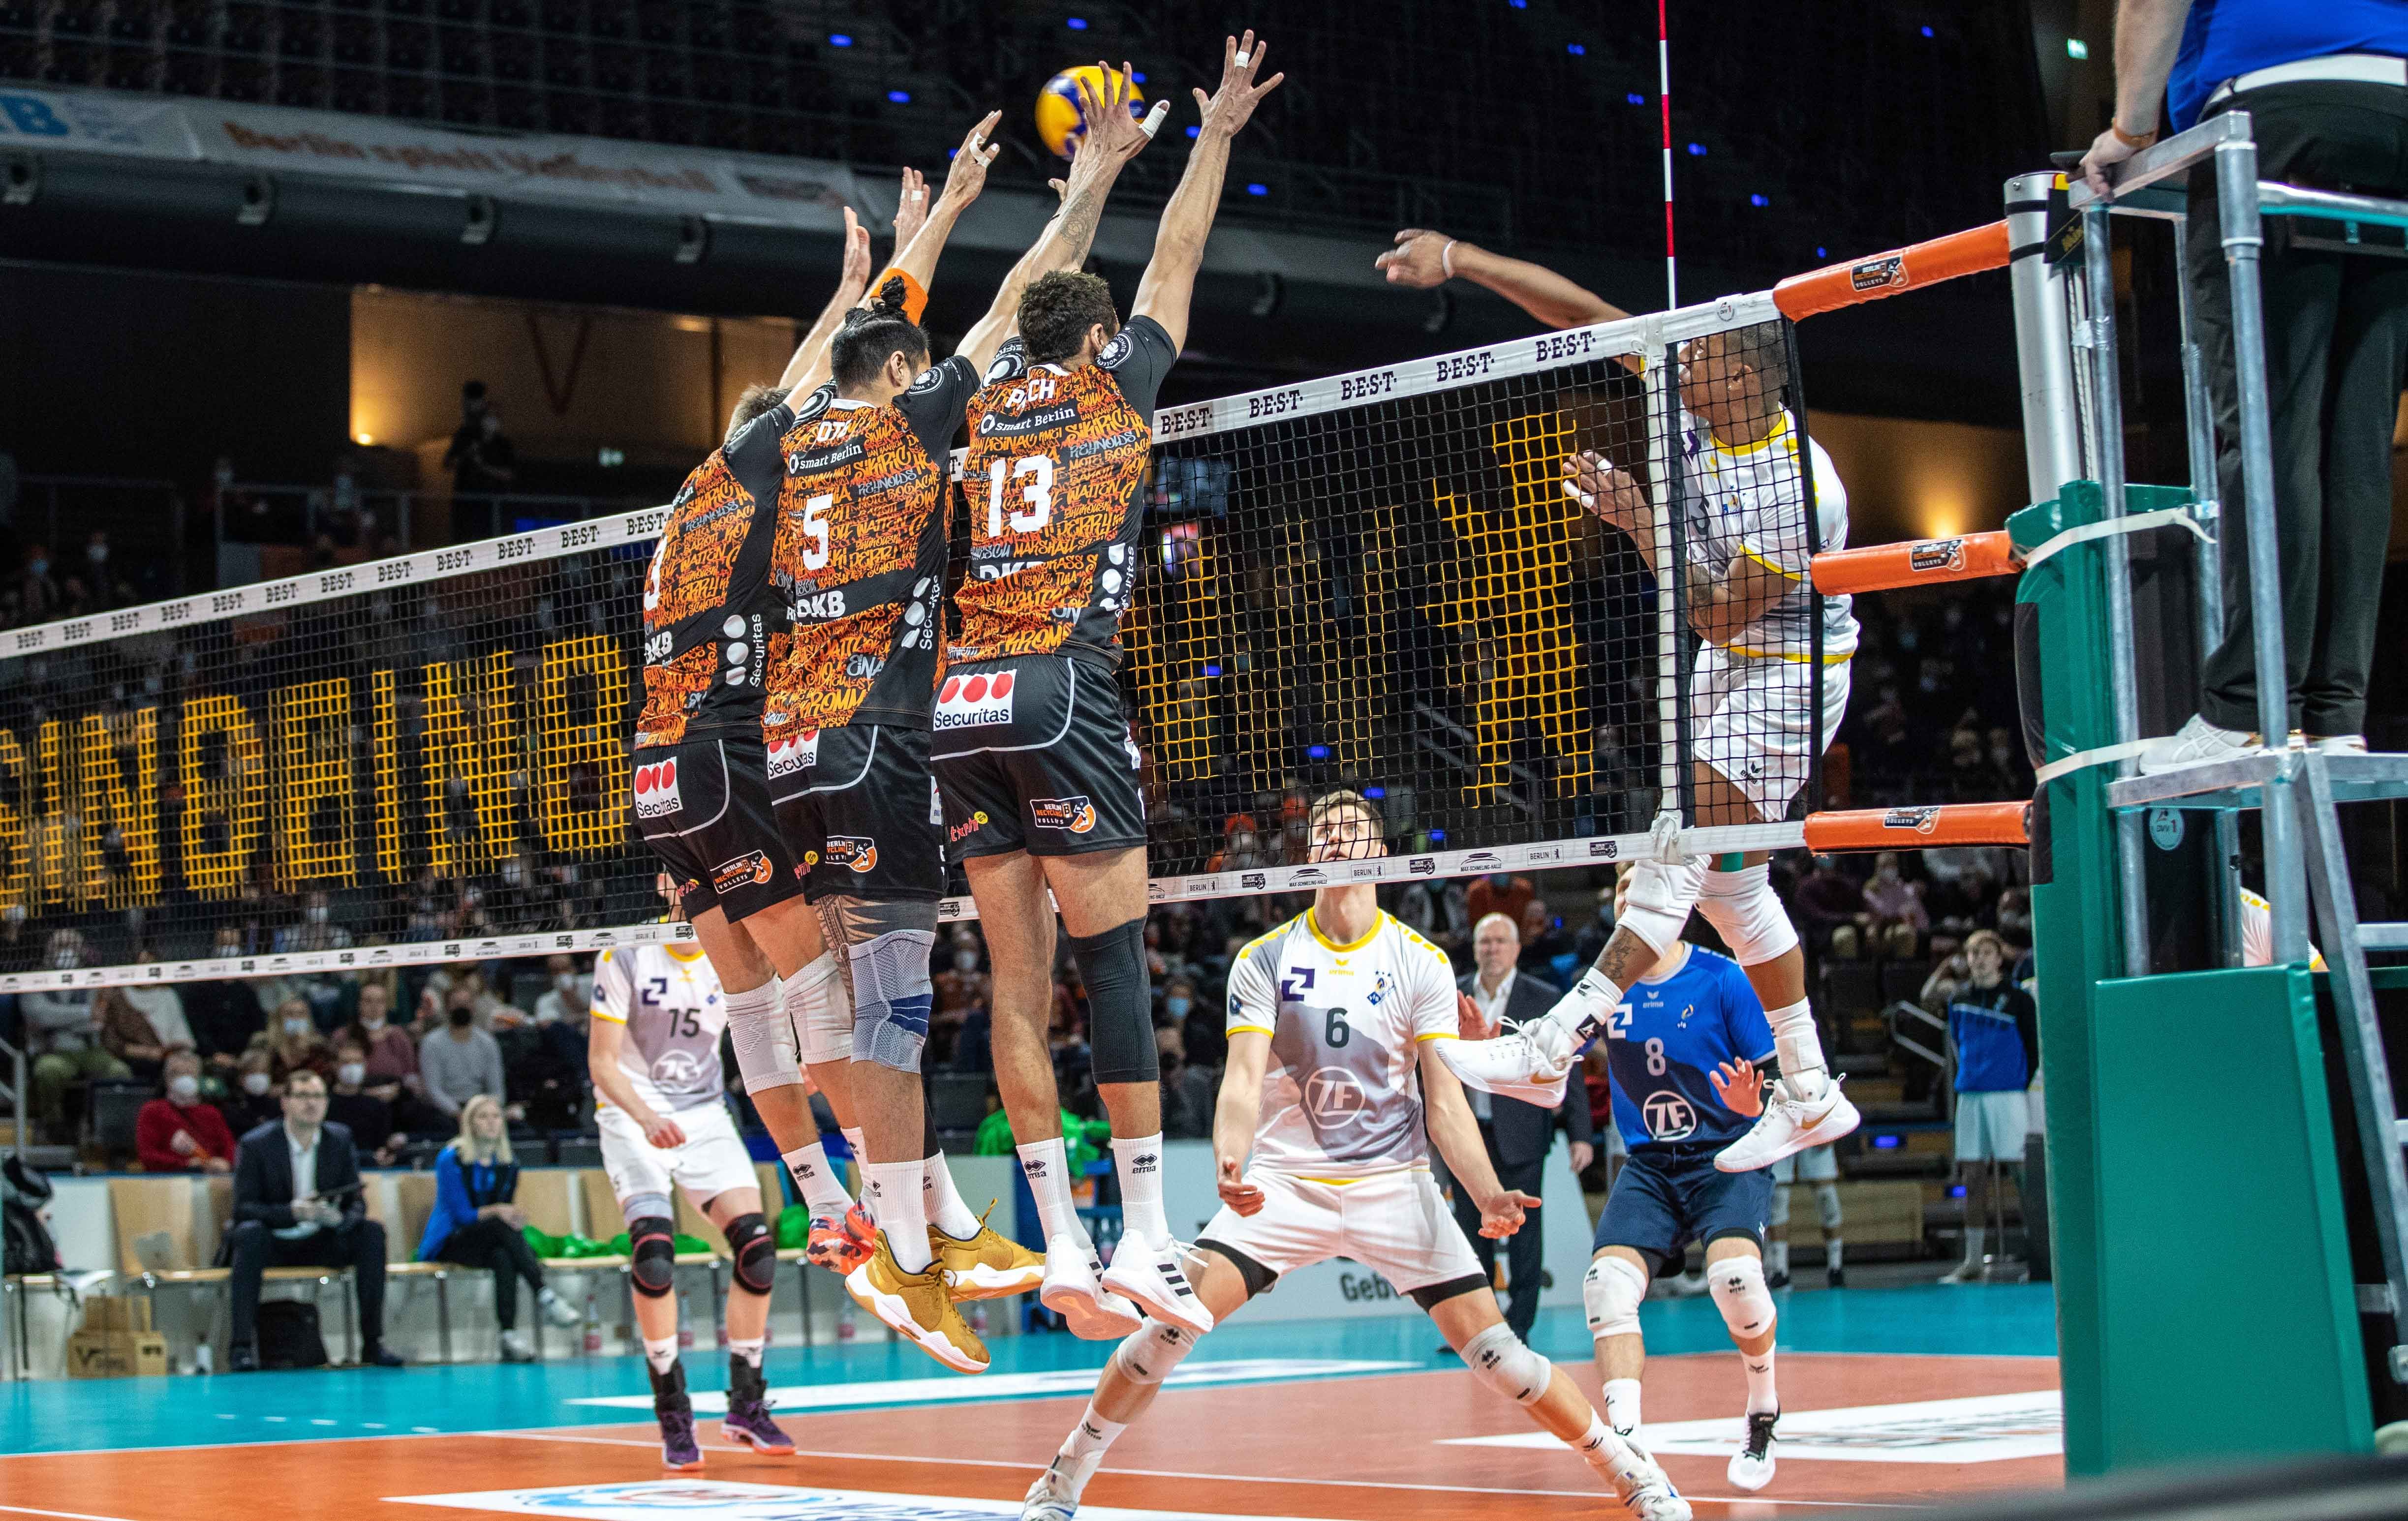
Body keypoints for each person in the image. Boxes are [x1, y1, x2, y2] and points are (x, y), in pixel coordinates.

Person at [762, 86, 1153, 1370]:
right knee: (888, 1007)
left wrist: (904, 248)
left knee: (843, 996)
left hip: (785, 739)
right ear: (899, 375)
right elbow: (1016, 302)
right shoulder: (913, 416)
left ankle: (917, 1226)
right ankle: (901, 1252)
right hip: (877, 730)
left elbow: (852, 335)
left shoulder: (781, 434)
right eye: (914, 361)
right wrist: (1081, 189)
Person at [1019, 789, 1689, 1521]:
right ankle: (1062, 1478)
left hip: (1392, 1184)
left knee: (1504, 1360)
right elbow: (1241, 1081)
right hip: (1284, 1186)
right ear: (1307, 854)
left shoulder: (1421, 961)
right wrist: (1230, 1159)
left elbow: (1444, 1103)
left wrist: (1488, 1193)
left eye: (1352, 827)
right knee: (1163, 1335)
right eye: (1324, 829)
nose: (1336, 837)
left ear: (1380, 852)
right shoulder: (1264, 957)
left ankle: (1631, 1471)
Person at [935, 33, 1283, 1343]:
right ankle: (1143, 1232)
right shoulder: (1112, 381)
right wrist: (1213, 134)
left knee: (1015, 986)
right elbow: (1175, 260)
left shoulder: (980, 401)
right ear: (1094, 336)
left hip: (960, 706)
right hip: (1058, 689)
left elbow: (1017, 286)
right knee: (1115, 965)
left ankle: (1064, 1250)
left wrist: (1086, 180)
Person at [1389, 233, 1859, 1173]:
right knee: (1731, 889)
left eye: (1703, 357)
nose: (1680, 365)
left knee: (1672, 849)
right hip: (1722, 660)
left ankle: (1554, 1040)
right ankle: (1809, 1088)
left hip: (1786, 670)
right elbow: (1580, 315)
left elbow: (1718, 612)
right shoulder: (1683, 381)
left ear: (1747, 378)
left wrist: (1638, 520)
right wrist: (1460, 258)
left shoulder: (1799, 487)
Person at [630, 147, 1016, 1273]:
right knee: (824, 989)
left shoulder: (691, 494)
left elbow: (823, 368)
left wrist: (864, 279)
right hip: (731, 749)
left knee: (755, 999)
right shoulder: (786, 460)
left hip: (657, 769)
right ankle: (913, 1208)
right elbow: (836, 380)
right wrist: (907, 250)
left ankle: (830, 1199)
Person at [2076, 2, 2408, 769]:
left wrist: (2129, 131)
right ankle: (2332, 712)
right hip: (2395, 119)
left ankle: (2247, 709)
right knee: (2357, 441)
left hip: (2279, 120)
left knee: (2270, 428)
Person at [1580, 912, 1786, 1494]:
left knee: (1735, 1279)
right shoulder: (1603, 984)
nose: (1632, 904)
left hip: (1726, 1154)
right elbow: (1548, 1056)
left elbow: (1778, 1082)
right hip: (1650, 1162)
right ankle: (1628, 1443)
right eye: (1623, 892)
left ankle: (1763, 1406)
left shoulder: (1723, 978)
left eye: (1643, 891)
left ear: (1673, 906)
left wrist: (1753, 1104)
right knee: (1606, 1286)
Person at [587, 916, 795, 1466]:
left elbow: (767, 1033)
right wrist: (646, 1117)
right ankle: (673, 1408)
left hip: (704, 1113)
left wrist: (799, 1067)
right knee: (654, 1255)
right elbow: (602, 1062)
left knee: (758, 1250)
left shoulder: (735, 950)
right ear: (664, 882)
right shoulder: (626, 954)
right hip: (633, 1111)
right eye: (678, 879)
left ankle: (746, 1403)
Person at [1452, 912, 1594, 1342]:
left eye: (1500, 941)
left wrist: (1581, 1134)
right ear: (1475, 949)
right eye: (1485, 942)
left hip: (1523, 1132)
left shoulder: (1544, 998)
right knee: (1470, 1233)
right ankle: (1479, 1328)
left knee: (1525, 1233)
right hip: (1465, 1134)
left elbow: (1567, 1068)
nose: (1492, 949)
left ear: (1516, 949)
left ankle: (1519, 1328)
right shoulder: (1452, 994)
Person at [225, 1069, 404, 1370]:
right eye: (303, 1096)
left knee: (372, 1233)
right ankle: (241, 1348)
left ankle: (373, 1343)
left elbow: (356, 1201)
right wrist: (292, 1212)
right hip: (275, 1239)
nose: (312, 1104)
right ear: (285, 1103)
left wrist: (339, 1219)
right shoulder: (256, 1144)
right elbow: (244, 1209)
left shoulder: (340, 1139)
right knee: (248, 1234)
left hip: (322, 1237)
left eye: (319, 1096)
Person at [416, 1094, 580, 1362]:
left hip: (489, 1239)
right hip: (451, 1240)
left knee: (503, 1256)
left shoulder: (508, 1162)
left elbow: (504, 1208)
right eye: (483, 1117)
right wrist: (499, 1213)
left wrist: (512, 1217)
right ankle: (545, 1294)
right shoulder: (452, 1158)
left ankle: (509, 1335)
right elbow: (463, 1215)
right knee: (498, 1226)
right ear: (470, 1123)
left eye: (496, 1117)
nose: (491, 1123)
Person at [1940, 931, 2037, 1284]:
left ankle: (2039, 1257)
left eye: (1986, 953)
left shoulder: (2020, 999)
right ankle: (1973, 1262)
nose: (1979, 959)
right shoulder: (1959, 999)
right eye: (1973, 953)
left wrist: (2013, 1080)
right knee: (1973, 1176)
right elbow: (1957, 1043)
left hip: (2008, 1096)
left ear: (1999, 958)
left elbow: (2033, 1048)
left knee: (2022, 1174)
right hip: (1970, 1095)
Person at [25, 930, 129, 1140]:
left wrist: (59, 1019)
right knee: (48, 1070)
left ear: (82, 950)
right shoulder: (33, 978)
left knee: (120, 1071)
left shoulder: (92, 978)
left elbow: (99, 1019)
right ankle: (53, 1126)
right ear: (49, 950)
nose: (66, 952)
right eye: (60, 946)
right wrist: (84, 1013)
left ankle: (103, 1130)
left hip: (90, 1050)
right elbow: (39, 1016)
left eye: (72, 946)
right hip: (54, 1051)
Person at [96, 954, 193, 1086]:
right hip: (131, 1058)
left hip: (168, 1055)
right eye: (142, 966)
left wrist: (170, 1052)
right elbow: (111, 1040)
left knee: (187, 1066)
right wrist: (146, 1052)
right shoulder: (119, 997)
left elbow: (181, 1036)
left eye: (151, 965)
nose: (147, 971)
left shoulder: (168, 995)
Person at [135, 1050, 235, 1174]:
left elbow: (229, 1147)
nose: (184, 1078)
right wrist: (185, 1164)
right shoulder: (152, 1111)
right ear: (167, 1079)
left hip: (210, 1178)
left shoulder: (211, 1113)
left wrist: (226, 1163)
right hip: (168, 1179)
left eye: (190, 1073)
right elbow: (147, 1155)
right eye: (177, 1073)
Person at [1766, 1146, 1845, 1289]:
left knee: (1826, 1195)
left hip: (1812, 1132)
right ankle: (1780, 1271)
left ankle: (1836, 1267)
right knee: (1779, 1196)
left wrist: (1829, 1132)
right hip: (1781, 1134)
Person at [419, 992, 506, 1121]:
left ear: (474, 1007)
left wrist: (489, 1111)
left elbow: (497, 1089)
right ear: (447, 1007)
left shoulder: (488, 1043)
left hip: (481, 1110)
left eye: (466, 1003)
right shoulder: (431, 1043)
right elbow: (433, 1090)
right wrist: (457, 1113)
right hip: (444, 1112)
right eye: (457, 1004)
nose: (462, 1008)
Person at [326, 1036, 399, 1167]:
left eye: (357, 1062)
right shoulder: (324, 1105)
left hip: (370, 1171)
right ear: (335, 1066)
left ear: (365, 1065)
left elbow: (382, 1148)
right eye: (346, 1062)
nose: (352, 1067)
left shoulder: (378, 1107)